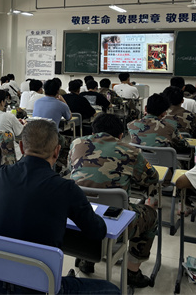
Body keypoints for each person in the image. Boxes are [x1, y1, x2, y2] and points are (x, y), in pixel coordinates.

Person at [0, 120, 120, 295]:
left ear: (21, 146)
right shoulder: (65, 189)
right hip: (40, 288)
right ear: (57, 151)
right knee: (113, 290)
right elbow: (97, 231)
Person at [68, 113, 158, 288]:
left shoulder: (76, 143)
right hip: (115, 222)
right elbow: (152, 177)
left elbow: (73, 170)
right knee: (151, 216)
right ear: (120, 135)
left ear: (93, 132)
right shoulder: (131, 151)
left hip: (79, 217)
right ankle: (132, 271)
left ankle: (87, 259)